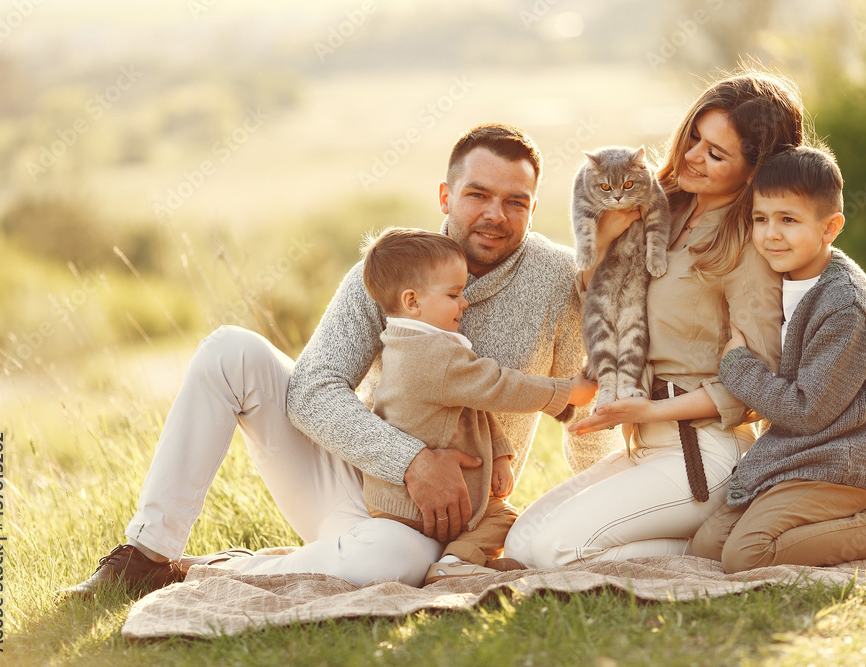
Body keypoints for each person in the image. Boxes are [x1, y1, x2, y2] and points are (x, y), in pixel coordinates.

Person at [60, 124, 619, 597]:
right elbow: (311, 390)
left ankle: (208, 574)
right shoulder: (392, 270)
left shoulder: (558, 282)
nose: (495, 214)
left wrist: (598, 514)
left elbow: (582, 412)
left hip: (440, 524)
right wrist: (410, 460)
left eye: (515, 201)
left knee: (388, 565)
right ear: (446, 196)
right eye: (478, 195)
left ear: (534, 207)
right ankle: (147, 555)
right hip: (349, 483)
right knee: (230, 350)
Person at [504, 68, 800, 568]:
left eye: (715, 153)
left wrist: (650, 412)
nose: (691, 157)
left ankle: (713, 546)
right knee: (521, 545)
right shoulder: (662, 207)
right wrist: (601, 242)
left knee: (556, 550)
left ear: (753, 172)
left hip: (702, 454)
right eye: (693, 138)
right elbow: (602, 301)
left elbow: (761, 385)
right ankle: (699, 541)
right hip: (644, 445)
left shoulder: (749, 248)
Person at [689, 145, 866, 572]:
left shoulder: (846, 307)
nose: (771, 234)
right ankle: (850, 519)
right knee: (707, 547)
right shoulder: (776, 277)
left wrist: (738, 365)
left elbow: (806, 410)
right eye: (760, 219)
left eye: (788, 220)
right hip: (791, 457)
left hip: (839, 461)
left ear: (830, 227)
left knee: (746, 555)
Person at [358, 227, 596, 584]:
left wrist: (499, 455)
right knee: (503, 518)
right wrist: (566, 392)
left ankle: (459, 559)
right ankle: (455, 565)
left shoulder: (412, 343)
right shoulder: (431, 355)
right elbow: (499, 387)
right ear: (412, 301)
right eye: (454, 294)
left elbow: (473, 408)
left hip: (396, 497)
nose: (464, 302)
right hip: (411, 505)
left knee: (498, 513)